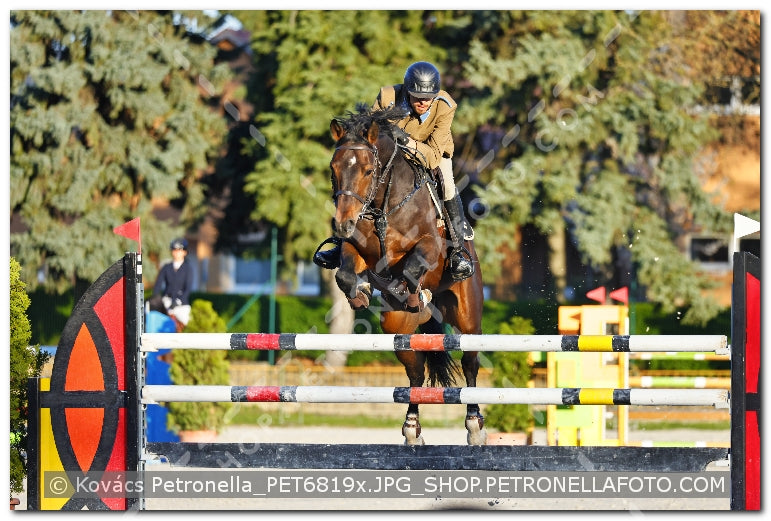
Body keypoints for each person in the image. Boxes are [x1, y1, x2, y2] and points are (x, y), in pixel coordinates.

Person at [314, 61, 474, 281]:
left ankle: (457, 251)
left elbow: (433, 156)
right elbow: (366, 133)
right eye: (417, 97)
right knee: (363, 180)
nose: (423, 102)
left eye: (428, 98)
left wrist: (406, 141)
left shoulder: (445, 105)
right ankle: (342, 242)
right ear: (407, 91)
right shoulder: (387, 96)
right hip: (394, 154)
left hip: (433, 151)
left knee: (447, 185)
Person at [148, 237, 194, 327]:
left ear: (184, 252)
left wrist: (178, 301)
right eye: (174, 250)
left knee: (186, 323)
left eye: (179, 250)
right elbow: (158, 284)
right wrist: (156, 297)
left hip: (181, 304)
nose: (176, 253)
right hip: (167, 301)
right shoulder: (166, 267)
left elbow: (188, 288)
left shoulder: (188, 268)